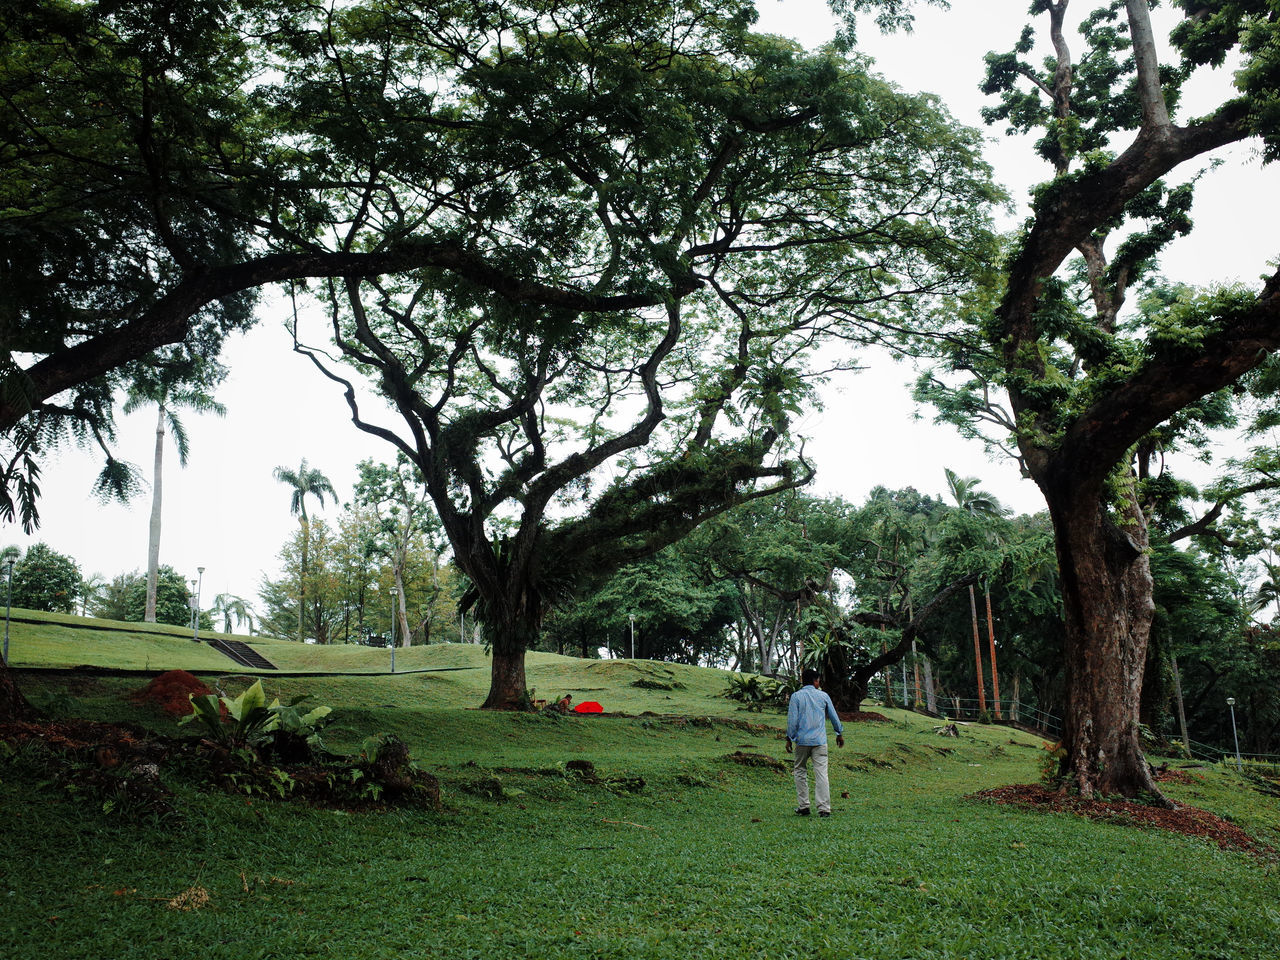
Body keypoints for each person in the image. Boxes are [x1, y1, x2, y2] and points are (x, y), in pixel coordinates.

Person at [785, 668, 845, 817]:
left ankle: (804, 806)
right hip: (819, 741)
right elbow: (833, 716)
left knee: (799, 770)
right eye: (818, 680)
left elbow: (792, 720)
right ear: (815, 681)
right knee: (821, 774)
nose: (819, 683)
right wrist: (839, 733)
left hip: (802, 741)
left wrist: (789, 738)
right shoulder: (823, 696)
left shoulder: (796, 697)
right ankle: (824, 808)